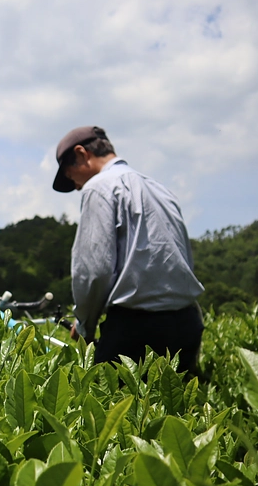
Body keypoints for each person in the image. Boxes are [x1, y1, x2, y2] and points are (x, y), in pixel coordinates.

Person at [52, 125, 205, 376]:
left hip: (137, 330)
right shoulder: (159, 189)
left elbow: (94, 271)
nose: (76, 187)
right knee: (180, 399)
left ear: (81, 154)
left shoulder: (99, 187)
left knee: (109, 400)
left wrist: (85, 326)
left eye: (71, 176)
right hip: (187, 325)